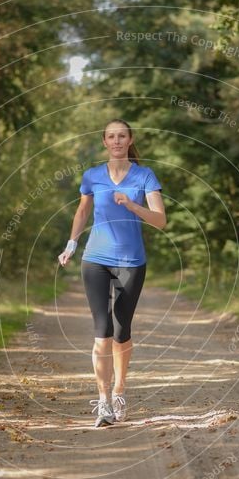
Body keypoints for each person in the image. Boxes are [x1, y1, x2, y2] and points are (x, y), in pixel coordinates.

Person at [58, 119, 166, 427]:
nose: (117, 141)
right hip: (95, 258)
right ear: (105, 142)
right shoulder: (92, 176)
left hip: (131, 261)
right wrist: (71, 245)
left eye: (122, 136)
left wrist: (132, 205)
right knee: (101, 330)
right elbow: (82, 212)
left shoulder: (145, 175)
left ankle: (120, 390)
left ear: (130, 140)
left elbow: (160, 221)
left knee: (121, 331)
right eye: (111, 137)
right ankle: (104, 401)